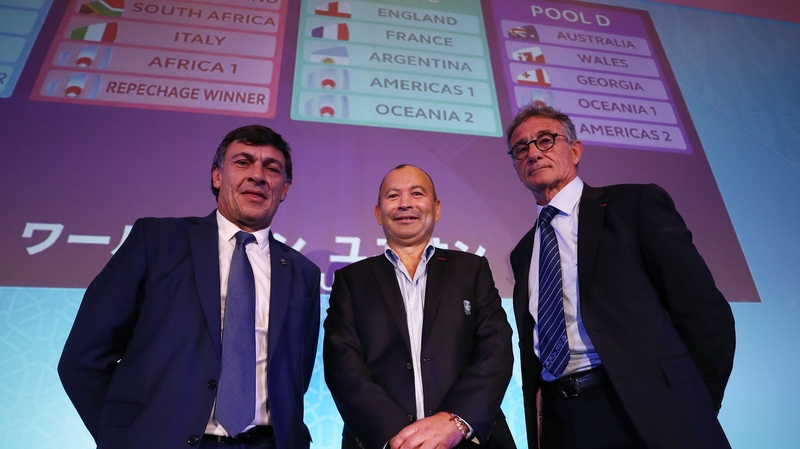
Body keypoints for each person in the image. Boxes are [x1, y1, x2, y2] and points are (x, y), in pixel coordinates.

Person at [58, 125, 321, 449]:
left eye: (272, 168)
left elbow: (296, 377)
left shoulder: (303, 273)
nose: (258, 175)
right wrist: (124, 436)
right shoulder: (155, 242)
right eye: (243, 162)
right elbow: (83, 359)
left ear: (284, 188)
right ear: (217, 176)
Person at [505, 103, 735, 449]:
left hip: (645, 411)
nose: (533, 152)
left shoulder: (634, 204)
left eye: (546, 140)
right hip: (561, 420)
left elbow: (704, 316)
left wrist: (691, 405)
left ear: (576, 149)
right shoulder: (523, 251)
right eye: (521, 148)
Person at [323, 165, 516, 449]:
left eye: (416, 193)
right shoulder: (352, 280)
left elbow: (496, 350)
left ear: (436, 208)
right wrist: (398, 438)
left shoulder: (471, 269)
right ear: (378, 213)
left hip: (467, 440)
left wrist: (454, 421)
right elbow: (343, 366)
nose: (405, 204)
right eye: (393, 196)